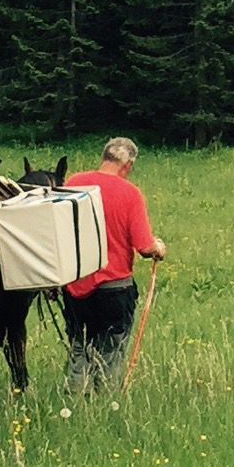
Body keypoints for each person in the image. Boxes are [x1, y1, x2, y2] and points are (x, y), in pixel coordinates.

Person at [62, 136, 165, 393]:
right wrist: (158, 248)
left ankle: (76, 400)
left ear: (104, 158)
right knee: (111, 349)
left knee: (79, 346)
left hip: (76, 283)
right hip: (114, 287)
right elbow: (144, 246)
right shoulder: (130, 193)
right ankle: (106, 402)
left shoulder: (73, 183)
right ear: (128, 164)